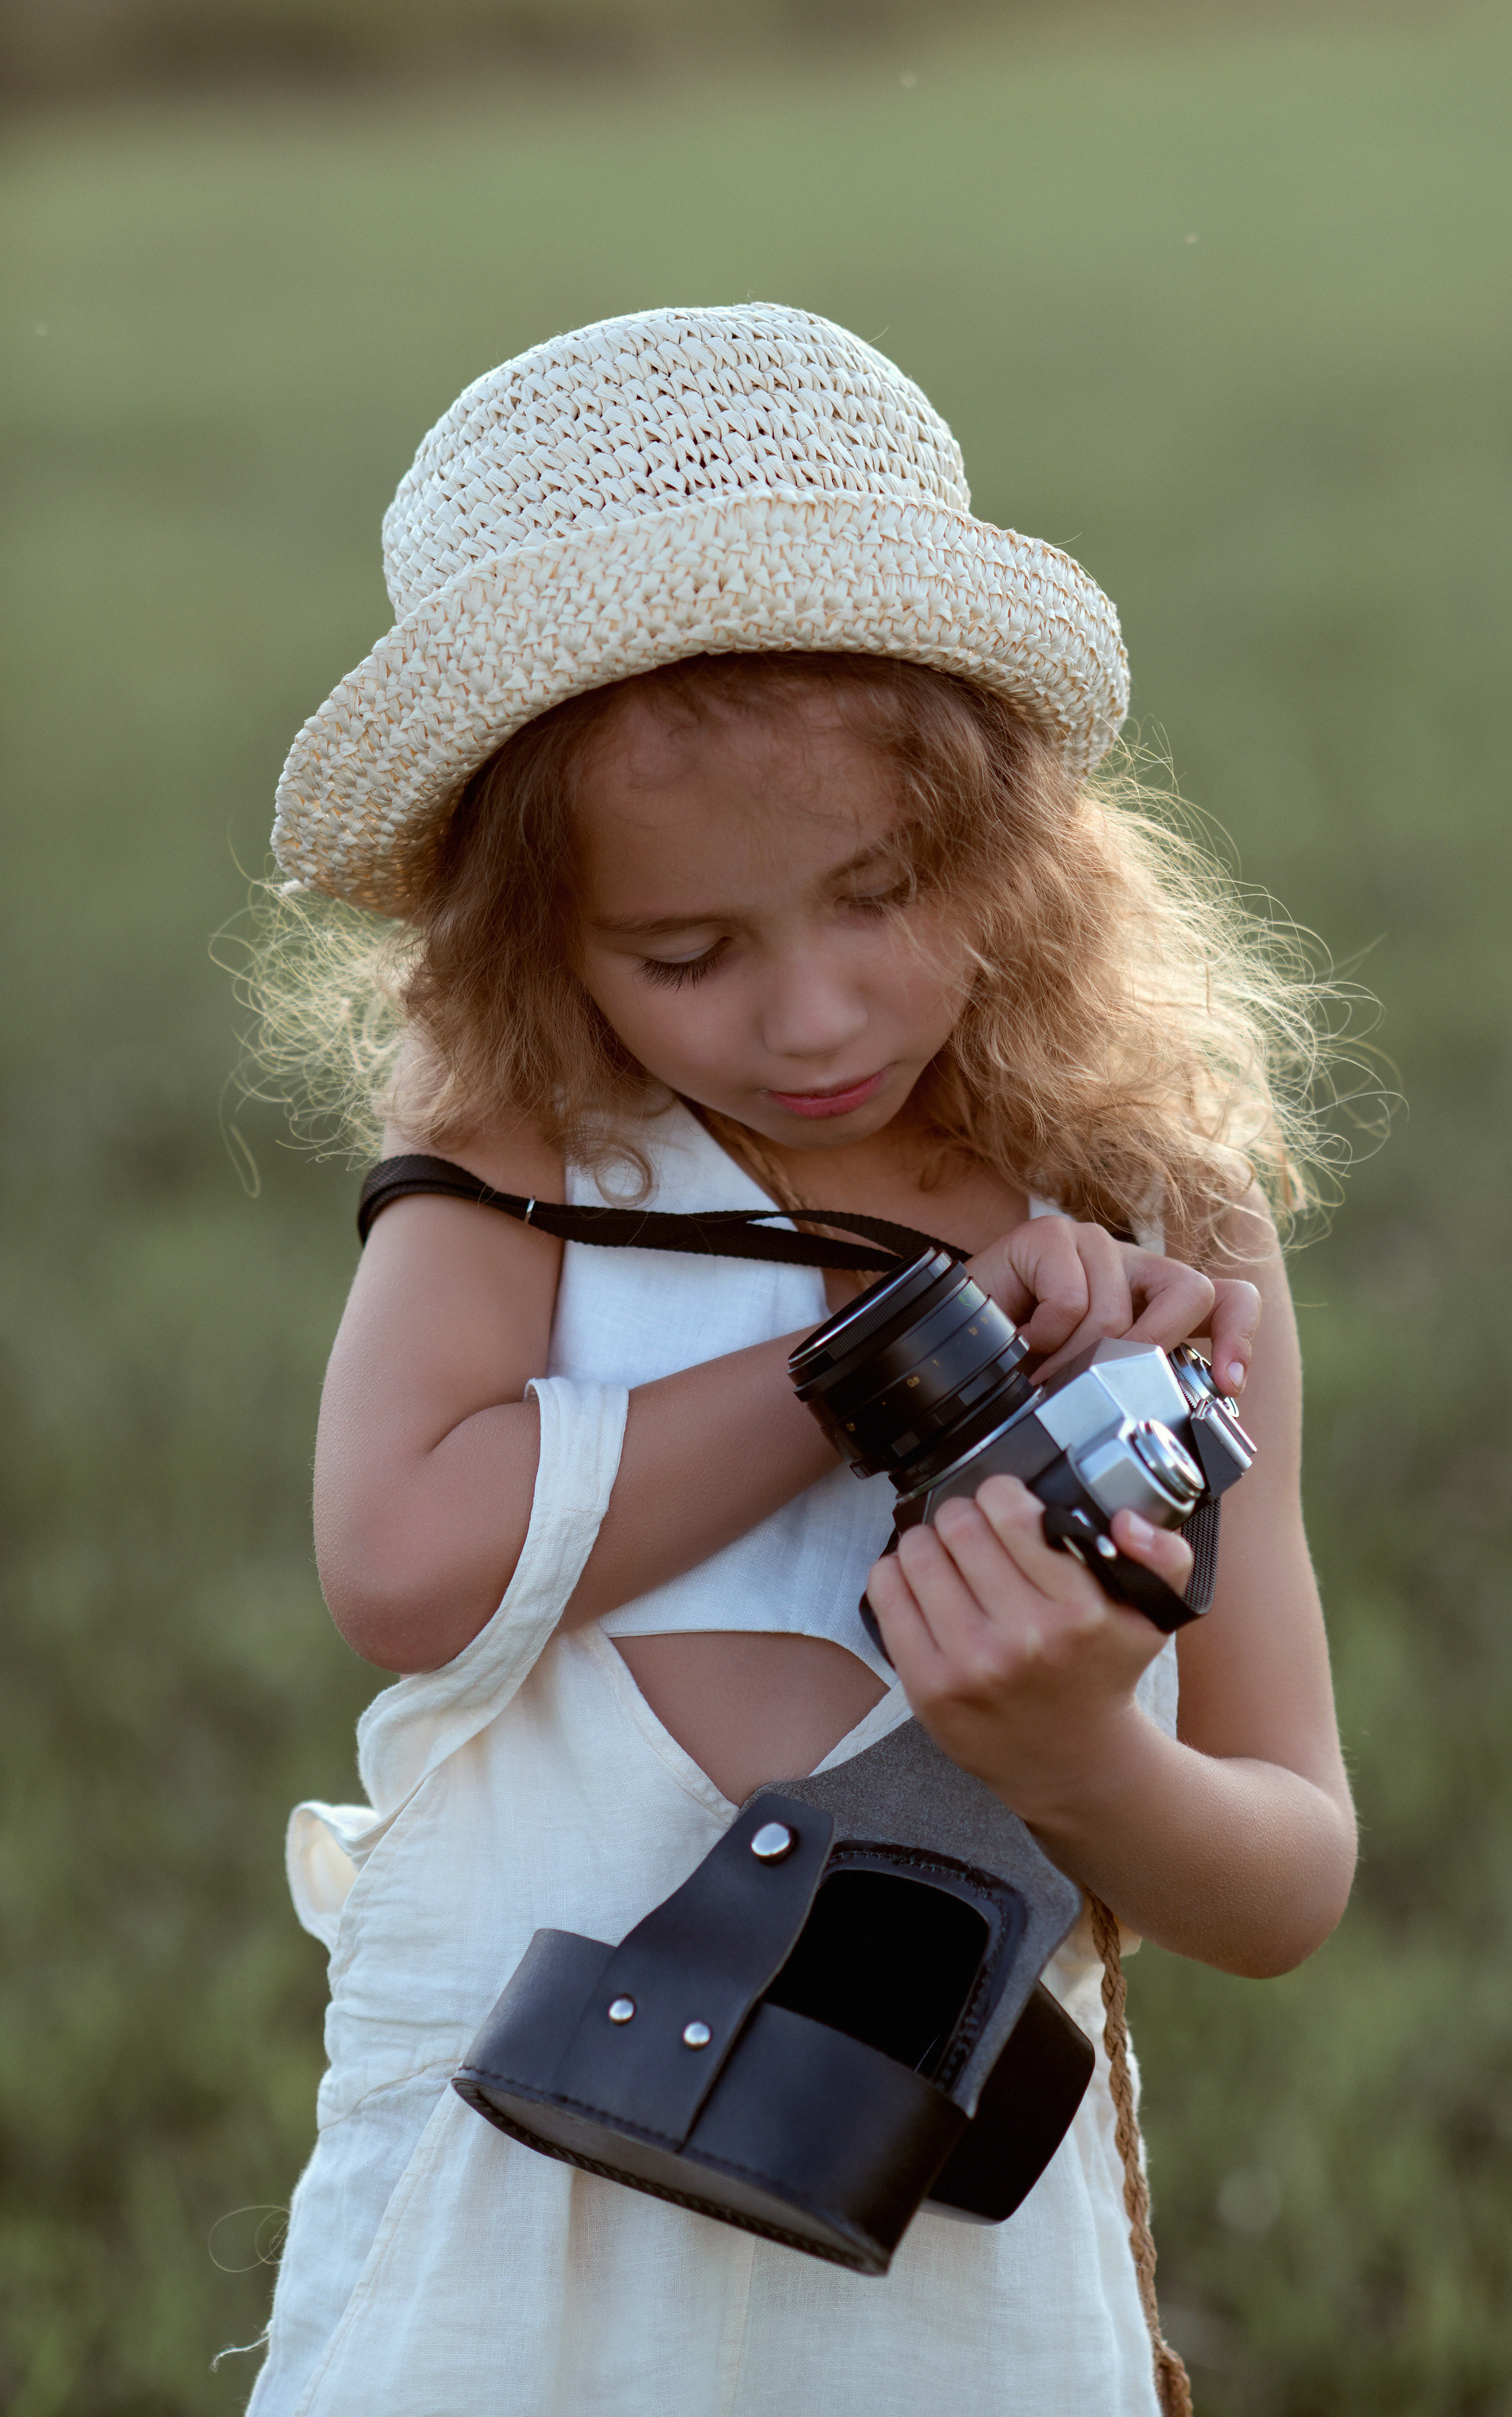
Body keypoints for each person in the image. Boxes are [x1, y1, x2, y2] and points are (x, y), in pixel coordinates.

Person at [243, 304, 1356, 2417]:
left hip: (934, 2250)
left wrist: (1078, 1751)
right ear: (528, 938)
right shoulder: (525, 1163)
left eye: (884, 891)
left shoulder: (1155, 1220)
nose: (819, 1014)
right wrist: (892, 1347)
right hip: (513, 2223)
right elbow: (404, 1560)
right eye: (687, 953)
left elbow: (1289, 1867)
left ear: (1013, 843)